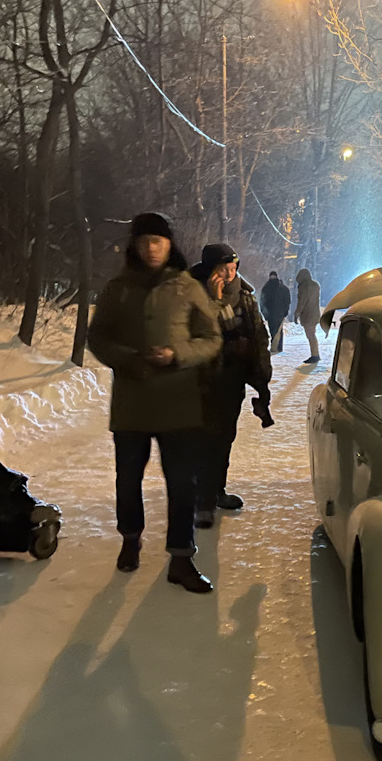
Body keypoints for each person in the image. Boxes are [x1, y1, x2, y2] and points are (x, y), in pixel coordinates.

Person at [88, 212, 221, 593]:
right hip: (131, 404)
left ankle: (181, 558)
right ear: (134, 245)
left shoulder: (186, 286)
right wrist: (127, 358)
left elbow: (210, 338)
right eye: (144, 241)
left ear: (169, 244)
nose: (151, 248)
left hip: (178, 405)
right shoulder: (118, 288)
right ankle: (130, 540)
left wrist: (177, 354)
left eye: (158, 241)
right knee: (128, 480)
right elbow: (97, 337)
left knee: (182, 483)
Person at [191, 242, 274, 528]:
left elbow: (258, 335)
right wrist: (215, 301)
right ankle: (201, 501)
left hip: (232, 379)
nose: (228, 274)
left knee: (225, 437)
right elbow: (200, 333)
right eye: (222, 269)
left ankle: (216, 491)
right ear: (209, 270)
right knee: (205, 440)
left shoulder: (245, 296)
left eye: (233, 268)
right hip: (202, 380)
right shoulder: (192, 294)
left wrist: (262, 377)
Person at [293, 267, 322, 364]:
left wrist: (297, 313)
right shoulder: (315, 285)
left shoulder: (304, 286)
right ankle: (315, 354)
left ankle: (315, 355)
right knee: (312, 334)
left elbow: (302, 301)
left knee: (310, 335)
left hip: (307, 314)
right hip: (315, 313)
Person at [259, 270, 291, 354]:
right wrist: (285, 310)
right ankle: (279, 346)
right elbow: (287, 300)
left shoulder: (266, 287)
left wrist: (264, 312)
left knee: (272, 329)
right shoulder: (282, 288)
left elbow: (262, 301)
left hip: (270, 313)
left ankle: (274, 346)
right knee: (278, 330)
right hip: (279, 313)